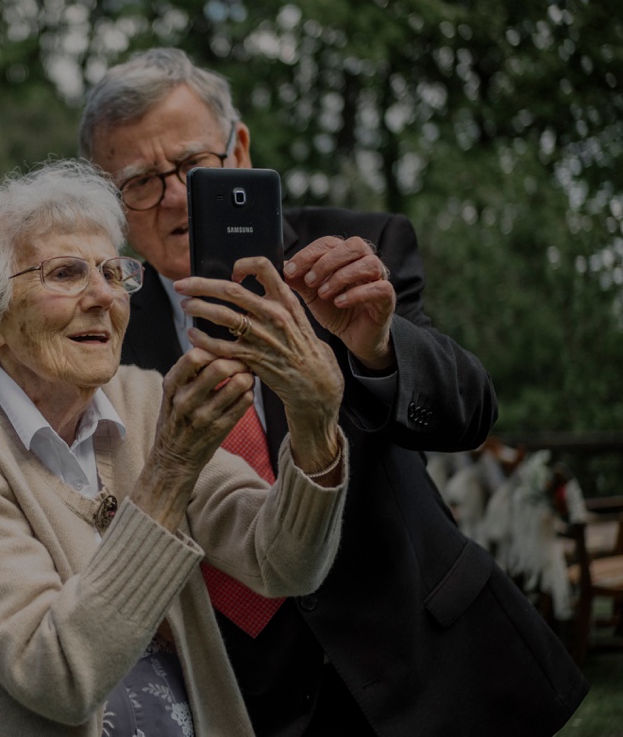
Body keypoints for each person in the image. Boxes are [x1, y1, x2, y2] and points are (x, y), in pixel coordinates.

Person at [79, 47, 589, 736]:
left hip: (429, 662)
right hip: (246, 694)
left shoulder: (355, 249)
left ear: (240, 152)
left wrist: (376, 345)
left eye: (192, 167)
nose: (174, 197)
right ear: (108, 199)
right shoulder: (100, 325)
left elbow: (470, 412)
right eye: (140, 180)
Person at [0, 159, 351, 736]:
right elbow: (59, 676)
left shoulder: (144, 397)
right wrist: (169, 471)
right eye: (66, 274)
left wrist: (314, 422)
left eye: (114, 272)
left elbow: (284, 562)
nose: (103, 296)